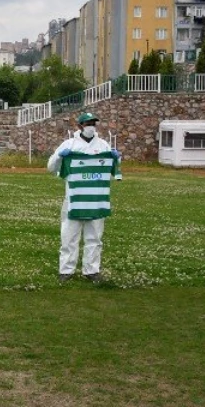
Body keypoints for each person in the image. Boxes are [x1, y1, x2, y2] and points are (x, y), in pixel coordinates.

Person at [46, 111, 121, 282]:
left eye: (93, 123)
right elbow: (51, 167)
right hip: (74, 199)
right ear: (80, 126)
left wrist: (117, 158)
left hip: (96, 199)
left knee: (94, 237)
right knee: (69, 236)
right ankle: (66, 270)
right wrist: (60, 156)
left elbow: (112, 168)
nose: (91, 127)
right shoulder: (69, 145)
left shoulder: (103, 145)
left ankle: (92, 270)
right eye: (88, 124)